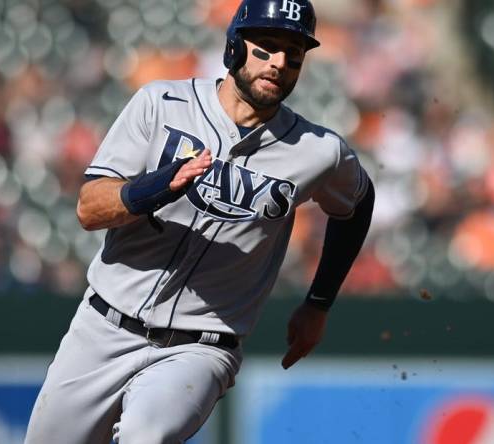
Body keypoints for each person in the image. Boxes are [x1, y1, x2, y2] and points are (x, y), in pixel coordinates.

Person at [25, 0, 374, 442]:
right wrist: (154, 188)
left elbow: (358, 204)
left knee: (145, 439)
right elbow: (90, 209)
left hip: (201, 347)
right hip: (103, 329)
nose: (280, 62)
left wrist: (319, 303)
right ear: (234, 47)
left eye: (295, 53)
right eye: (266, 46)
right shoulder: (161, 103)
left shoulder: (319, 151)